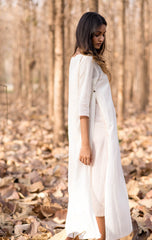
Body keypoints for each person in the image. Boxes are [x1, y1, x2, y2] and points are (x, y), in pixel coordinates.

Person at [65, 12, 133, 240]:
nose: (101, 39)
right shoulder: (85, 62)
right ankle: (102, 235)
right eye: (96, 34)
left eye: (103, 34)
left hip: (101, 133)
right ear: (86, 33)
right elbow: (82, 107)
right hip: (96, 135)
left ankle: (102, 234)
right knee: (100, 185)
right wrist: (85, 144)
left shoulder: (79, 60)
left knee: (100, 183)